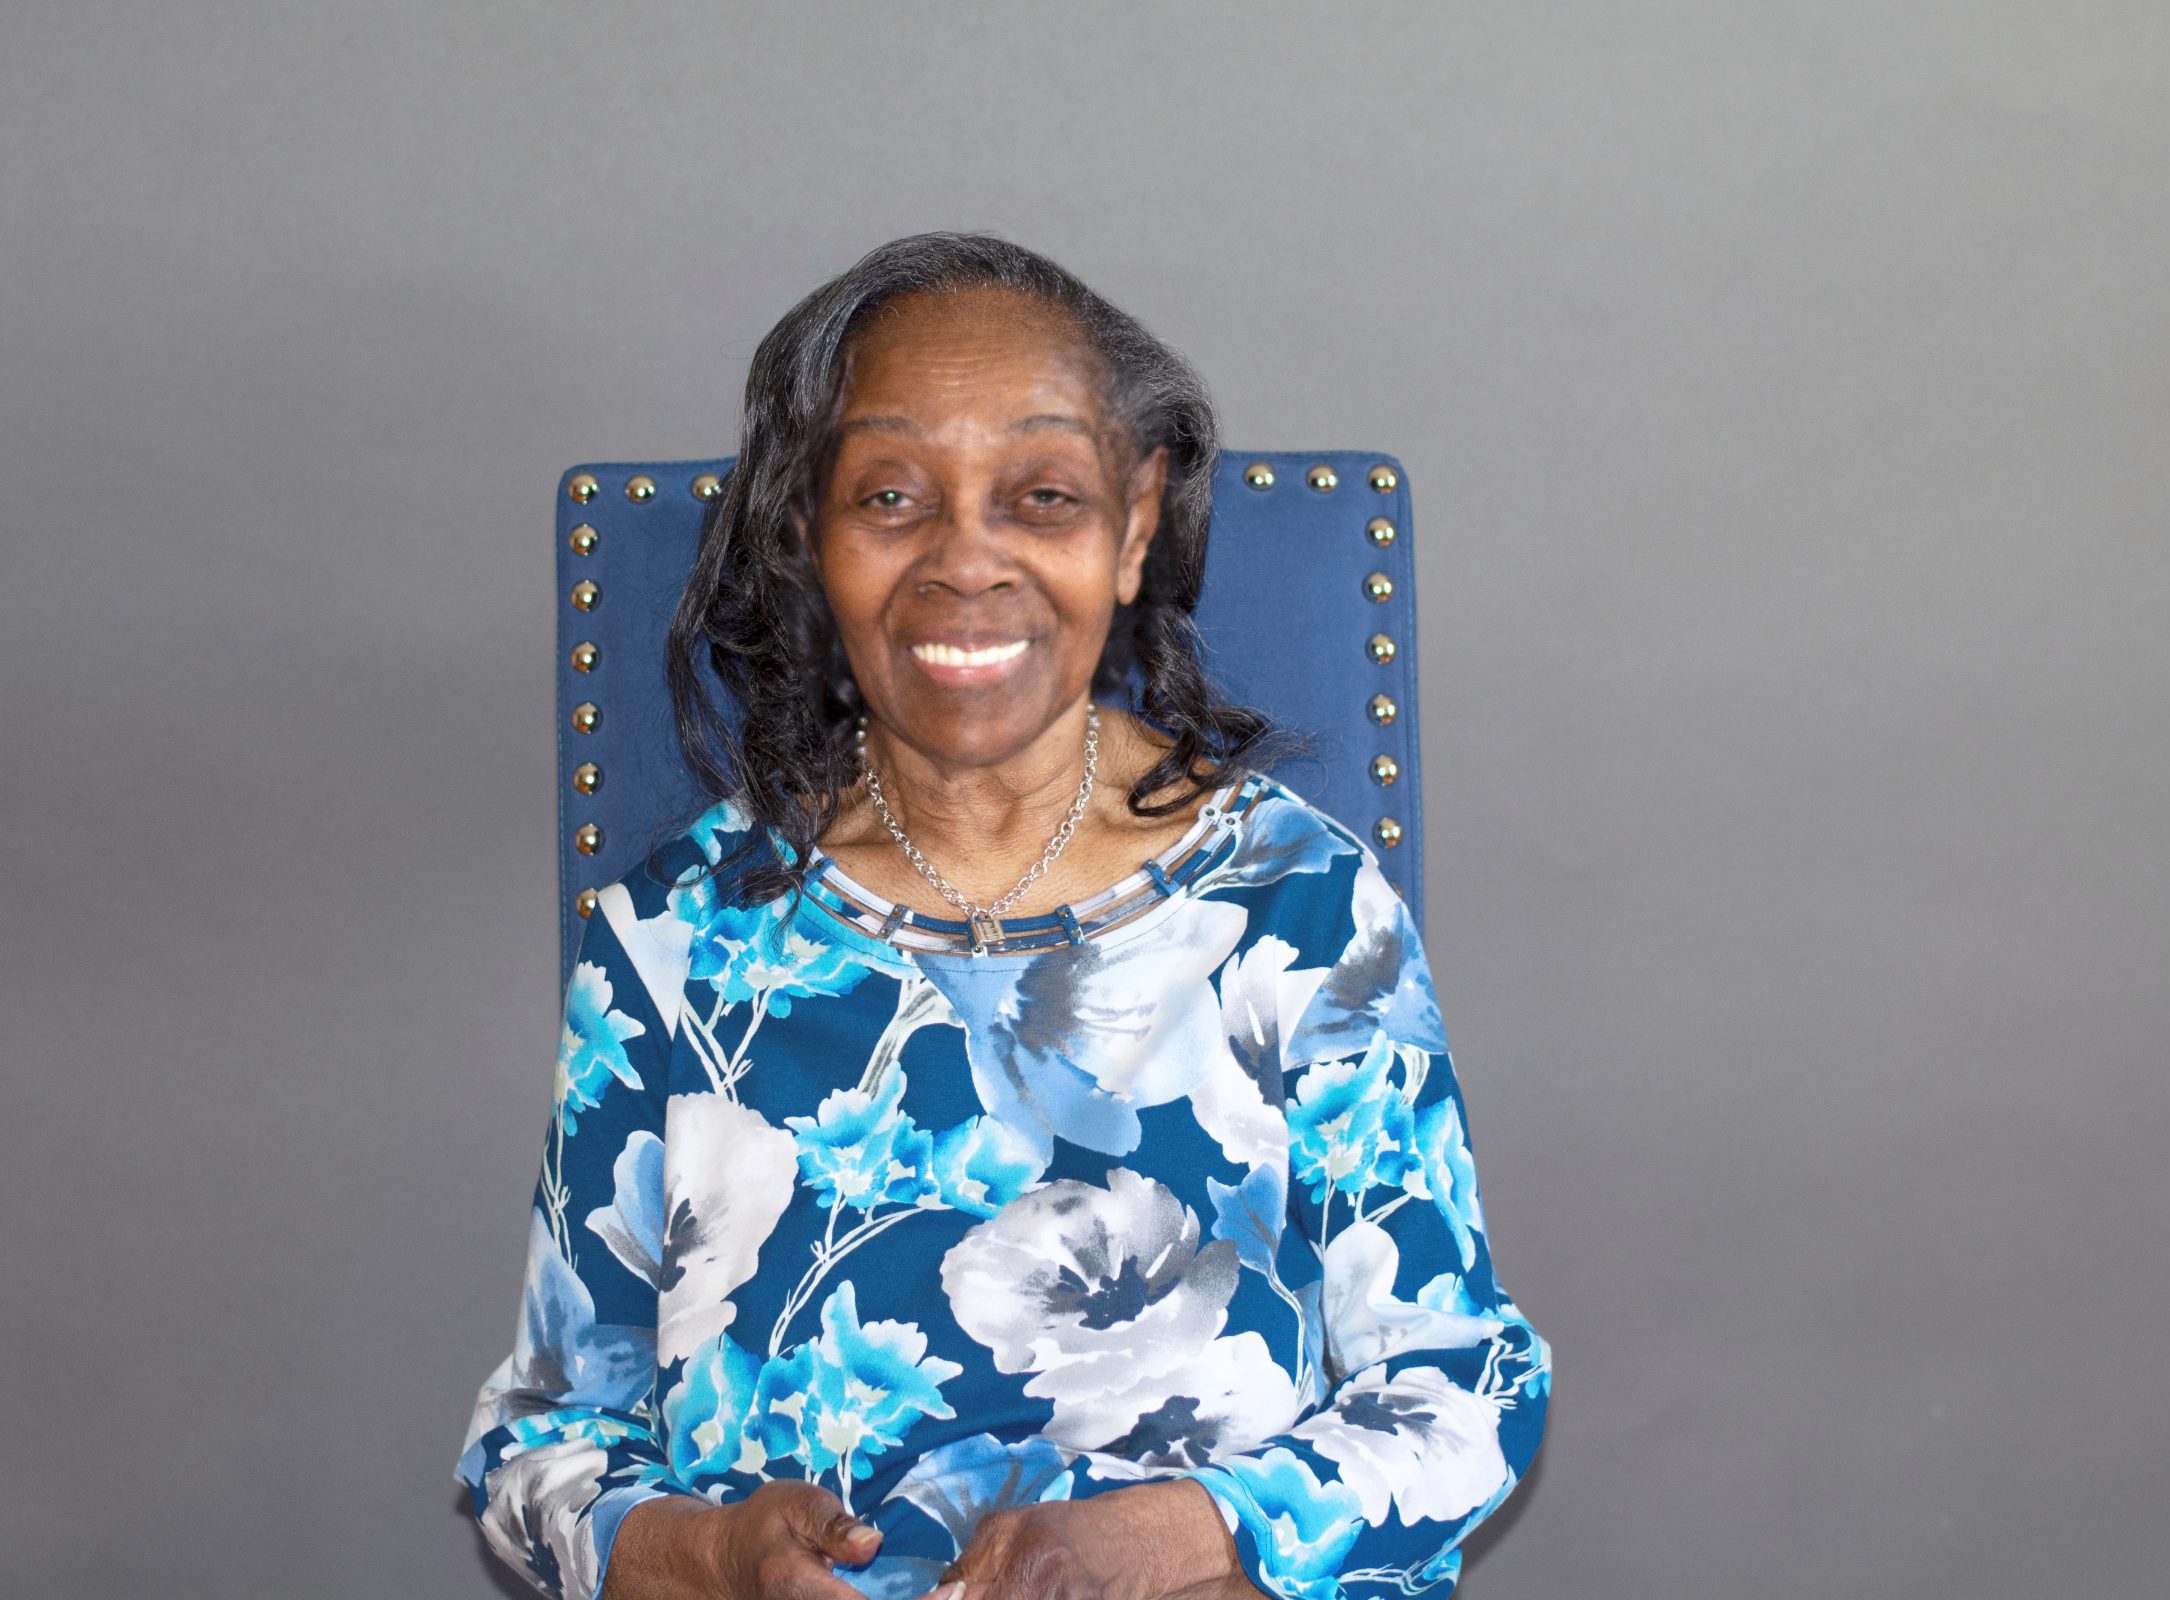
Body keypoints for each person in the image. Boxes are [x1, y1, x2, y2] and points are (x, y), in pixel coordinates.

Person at [454, 233, 1550, 1600]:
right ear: (810, 535)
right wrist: (715, 1558)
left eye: (1041, 495)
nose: (966, 564)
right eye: (892, 495)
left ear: (1134, 525)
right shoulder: (669, 946)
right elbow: (540, 1450)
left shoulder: (1301, 910)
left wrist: (1160, 1546)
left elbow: (1462, 1395)